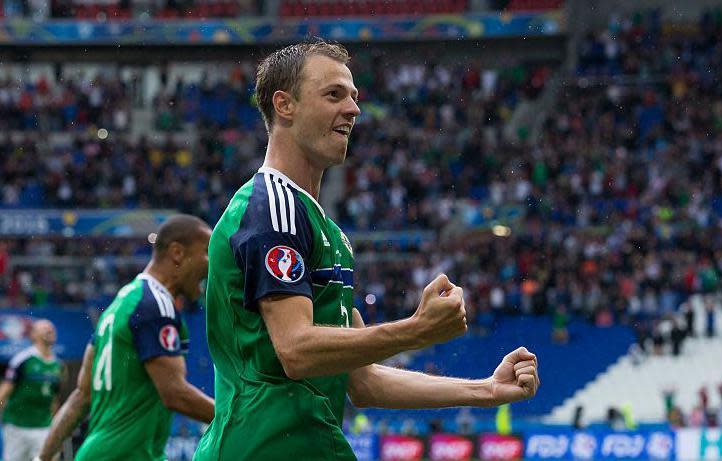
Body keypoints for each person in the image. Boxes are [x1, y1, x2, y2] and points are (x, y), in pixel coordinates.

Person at [193, 40, 540, 461]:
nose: (354, 109)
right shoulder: (273, 207)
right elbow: (296, 349)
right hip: (261, 449)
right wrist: (416, 330)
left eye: (354, 97)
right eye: (334, 94)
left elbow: (363, 381)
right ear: (284, 105)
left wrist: (486, 389)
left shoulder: (329, 233)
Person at [36, 215, 215, 461]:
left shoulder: (120, 304)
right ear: (177, 253)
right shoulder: (156, 305)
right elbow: (175, 394)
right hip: (127, 455)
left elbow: (81, 396)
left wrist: (41, 458)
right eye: (206, 251)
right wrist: (234, 420)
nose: (211, 261)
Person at [0, 320, 63, 461]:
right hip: (16, 428)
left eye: (52, 328)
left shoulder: (58, 366)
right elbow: (4, 392)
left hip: (44, 428)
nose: (50, 330)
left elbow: (54, 399)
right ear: (33, 334)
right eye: (45, 328)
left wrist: (57, 429)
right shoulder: (22, 360)